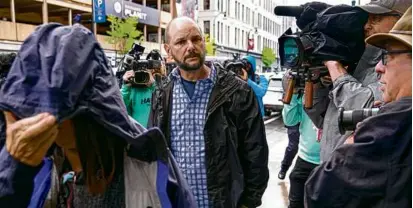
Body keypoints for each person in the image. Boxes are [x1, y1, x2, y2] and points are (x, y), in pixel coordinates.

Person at [0, 23, 194, 208]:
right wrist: (13, 174)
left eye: (42, 108)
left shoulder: (149, 163)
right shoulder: (26, 163)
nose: (26, 122)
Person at [149, 17, 269, 208]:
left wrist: (248, 203)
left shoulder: (238, 92)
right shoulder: (162, 94)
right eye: (181, 42)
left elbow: (256, 155)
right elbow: (155, 154)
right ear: (168, 50)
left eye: (196, 39)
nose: (191, 46)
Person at [305, 7, 412, 207]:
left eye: (388, 56)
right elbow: (327, 120)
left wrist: (362, 131)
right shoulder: (357, 61)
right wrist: (317, 83)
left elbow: (321, 191)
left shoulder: (396, 122)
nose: (381, 68)